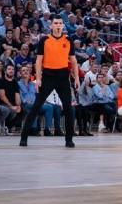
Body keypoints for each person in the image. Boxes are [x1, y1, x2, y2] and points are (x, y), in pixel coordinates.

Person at [19, 16, 80, 148]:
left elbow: (74, 62)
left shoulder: (68, 40)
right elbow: (39, 60)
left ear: (63, 25)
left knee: (69, 108)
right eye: (55, 23)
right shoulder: (45, 40)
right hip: (48, 75)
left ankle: (69, 139)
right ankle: (24, 137)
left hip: (63, 76)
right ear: (51, 26)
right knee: (36, 106)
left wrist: (77, 78)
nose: (58, 25)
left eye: (60, 23)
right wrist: (38, 78)